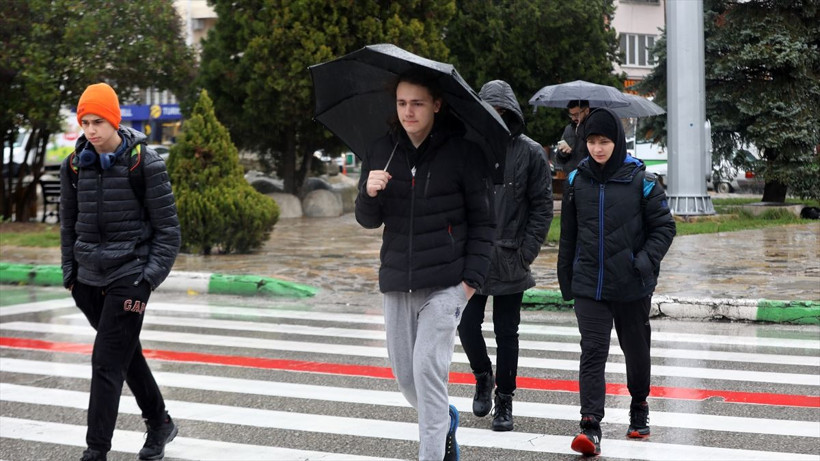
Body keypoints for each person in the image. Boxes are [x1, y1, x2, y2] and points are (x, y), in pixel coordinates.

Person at [355, 68, 495, 461]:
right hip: (398, 281)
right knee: (406, 379)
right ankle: (446, 420)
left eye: (417, 103)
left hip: (446, 284)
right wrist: (368, 192)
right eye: (401, 103)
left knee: (428, 375)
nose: (408, 111)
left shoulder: (463, 153)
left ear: (436, 104)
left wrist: (469, 283)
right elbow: (368, 220)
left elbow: (484, 222)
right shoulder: (382, 150)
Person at [60, 83, 182, 461]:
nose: (91, 130)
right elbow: (68, 224)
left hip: (128, 277)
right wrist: (71, 274)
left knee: (106, 362)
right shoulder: (75, 164)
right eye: (85, 122)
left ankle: (95, 451)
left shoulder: (144, 162)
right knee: (125, 355)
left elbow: (168, 232)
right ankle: (160, 422)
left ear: (114, 121)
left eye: (98, 121)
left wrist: (146, 281)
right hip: (87, 279)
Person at [556, 108, 675, 456]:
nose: (597, 148)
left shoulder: (643, 180)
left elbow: (665, 228)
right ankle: (590, 426)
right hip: (589, 284)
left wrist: (642, 262)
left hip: (631, 283)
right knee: (592, 351)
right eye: (591, 141)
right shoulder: (577, 181)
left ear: (617, 142)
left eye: (604, 141)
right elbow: (569, 236)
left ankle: (639, 405)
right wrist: (567, 276)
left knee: (635, 349)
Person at [457, 80, 553, 432]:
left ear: (511, 113)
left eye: (501, 113)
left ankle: (505, 399)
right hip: (473, 256)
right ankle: (483, 374)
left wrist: (526, 251)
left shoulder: (529, 152)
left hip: (512, 255)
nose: (496, 119)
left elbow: (543, 207)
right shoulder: (468, 148)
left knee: (506, 332)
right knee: (466, 324)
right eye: (489, 113)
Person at [555, 100, 590, 173]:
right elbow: (559, 160)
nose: (573, 118)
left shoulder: (593, 129)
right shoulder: (568, 129)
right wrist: (562, 153)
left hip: (587, 177)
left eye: (577, 115)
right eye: (571, 115)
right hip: (570, 177)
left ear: (587, 111)